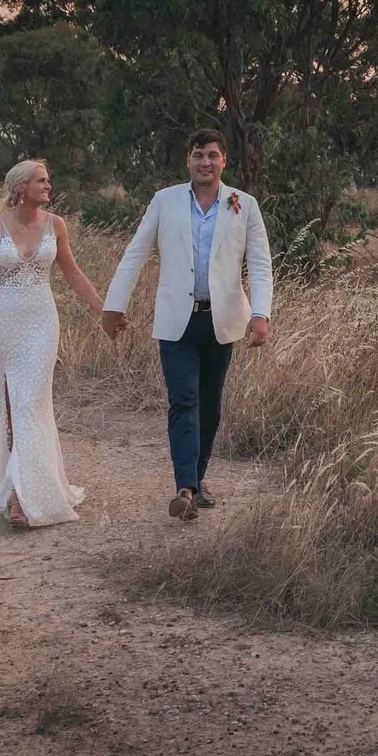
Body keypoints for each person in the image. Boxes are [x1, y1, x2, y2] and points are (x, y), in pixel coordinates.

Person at [100, 129, 273, 521]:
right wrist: (114, 306)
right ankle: (185, 489)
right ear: (188, 161)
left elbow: (260, 264)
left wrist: (261, 313)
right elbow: (135, 253)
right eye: (198, 155)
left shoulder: (243, 205)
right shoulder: (165, 201)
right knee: (184, 402)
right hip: (176, 321)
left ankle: (196, 481)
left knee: (210, 409)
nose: (205, 162)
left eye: (212, 155)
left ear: (223, 160)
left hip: (222, 320)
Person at [0, 158, 102, 528]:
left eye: (48, 180)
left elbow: (72, 273)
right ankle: (16, 488)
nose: (48, 186)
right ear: (20, 187)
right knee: (13, 406)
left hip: (42, 323)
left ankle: (21, 498)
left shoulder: (56, 226)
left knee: (30, 402)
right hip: (4, 325)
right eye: (41, 181)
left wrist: (104, 311)